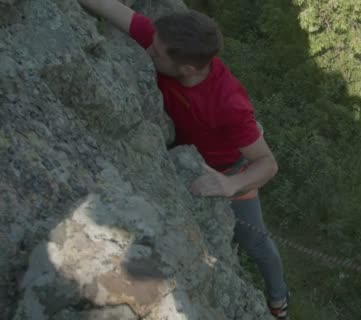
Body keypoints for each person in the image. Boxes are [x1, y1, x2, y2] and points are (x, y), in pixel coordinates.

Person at [76, 1, 289, 318]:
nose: (149, 52)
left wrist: (231, 184)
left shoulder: (228, 102)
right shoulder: (165, 42)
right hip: (183, 156)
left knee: (256, 242)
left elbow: (267, 163)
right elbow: (110, 8)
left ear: (188, 68)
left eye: (157, 54)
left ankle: (279, 303)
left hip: (229, 169)